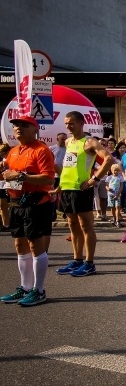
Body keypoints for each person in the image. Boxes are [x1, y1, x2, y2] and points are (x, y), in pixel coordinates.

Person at [0, 115, 56, 306]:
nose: (18, 129)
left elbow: (49, 179)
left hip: (36, 203)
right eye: (16, 126)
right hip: (16, 203)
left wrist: (21, 176)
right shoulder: (13, 151)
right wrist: (5, 171)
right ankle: (25, 287)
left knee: (34, 245)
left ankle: (39, 291)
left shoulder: (42, 150)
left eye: (24, 126)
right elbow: (10, 174)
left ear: (35, 129)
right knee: (19, 245)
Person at [55, 111, 115, 277]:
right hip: (67, 188)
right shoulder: (68, 142)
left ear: (81, 123)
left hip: (82, 190)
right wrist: (60, 184)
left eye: (71, 123)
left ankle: (89, 263)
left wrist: (94, 179)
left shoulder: (90, 142)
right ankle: (77, 260)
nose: (68, 126)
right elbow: (69, 166)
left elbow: (108, 159)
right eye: (66, 123)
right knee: (73, 226)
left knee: (85, 226)